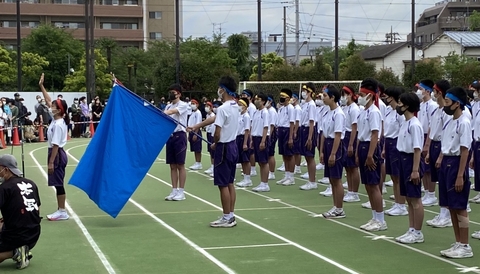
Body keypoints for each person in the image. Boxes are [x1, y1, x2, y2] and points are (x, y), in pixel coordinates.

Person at [188, 76, 239, 227]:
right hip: (233, 146)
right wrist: (197, 125)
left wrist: (215, 144)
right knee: (230, 182)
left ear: (223, 89)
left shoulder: (223, 108)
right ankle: (230, 214)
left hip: (223, 147)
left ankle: (227, 217)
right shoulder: (234, 106)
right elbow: (215, 119)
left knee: (223, 184)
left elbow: (217, 132)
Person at [438, 87, 473, 259]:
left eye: (447, 102)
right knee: (451, 206)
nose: (445, 105)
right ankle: (458, 241)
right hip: (447, 163)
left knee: (460, 207)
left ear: (457, 103)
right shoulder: (449, 120)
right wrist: (440, 158)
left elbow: (465, 150)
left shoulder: (464, 122)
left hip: (457, 164)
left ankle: (465, 245)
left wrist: (460, 175)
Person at [0, 154, 40, 269]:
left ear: (6, 170)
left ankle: (16, 252)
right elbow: (37, 210)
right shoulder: (31, 183)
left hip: (16, 236)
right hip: (34, 234)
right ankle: (24, 250)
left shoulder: (4, 188)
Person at [394, 92, 425, 244]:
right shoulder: (405, 122)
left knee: (415, 198)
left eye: (400, 103)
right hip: (403, 159)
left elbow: (417, 149)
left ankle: (418, 232)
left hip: (411, 161)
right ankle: (411, 229)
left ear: (407, 106)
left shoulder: (415, 124)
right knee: (408, 198)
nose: (398, 106)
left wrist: (415, 170)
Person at [39, 73, 70, 221]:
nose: (50, 106)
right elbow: (48, 99)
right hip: (55, 152)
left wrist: (51, 162)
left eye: (53, 106)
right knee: (57, 183)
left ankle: (62, 210)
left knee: (58, 183)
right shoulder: (56, 119)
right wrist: (41, 86)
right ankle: (61, 210)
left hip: (56, 154)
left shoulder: (58, 125)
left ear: (58, 110)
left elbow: (56, 145)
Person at [356, 78, 385, 231]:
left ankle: (380, 219)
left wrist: (370, 155)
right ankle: (374, 217)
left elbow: (375, 135)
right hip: (362, 146)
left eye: (362, 94)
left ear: (370, 96)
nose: (359, 96)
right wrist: (357, 151)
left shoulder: (374, 112)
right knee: (367, 185)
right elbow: (361, 134)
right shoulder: (363, 112)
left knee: (373, 185)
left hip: (371, 148)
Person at [319, 85, 346, 218]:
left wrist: (333, 153)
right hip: (328, 145)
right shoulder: (327, 112)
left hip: (336, 146)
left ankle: (339, 208)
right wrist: (322, 151)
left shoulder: (339, 114)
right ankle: (335, 206)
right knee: (331, 179)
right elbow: (324, 133)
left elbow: (338, 135)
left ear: (332, 97)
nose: (322, 98)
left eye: (325, 96)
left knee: (336, 179)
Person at [382, 87, 407, 216]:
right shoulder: (387, 110)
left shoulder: (399, 112)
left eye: (387, 96)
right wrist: (384, 148)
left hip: (396, 143)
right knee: (392, 175)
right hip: (388, 142)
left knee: (398, 177)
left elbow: (402, 129)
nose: (386, 97)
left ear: (392, 97)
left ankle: (401, 205)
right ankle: (397, 203)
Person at [163, 84, 188, 201]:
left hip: (180, 135)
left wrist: (163, 112)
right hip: (170, 136)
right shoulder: (168, 105)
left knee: (180, 165)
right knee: (172, 165)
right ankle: (174, 190)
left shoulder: (183, 105)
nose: (171, 94)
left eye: (173, 92)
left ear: (178, 93)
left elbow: (172, 112)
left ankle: (181, 192)